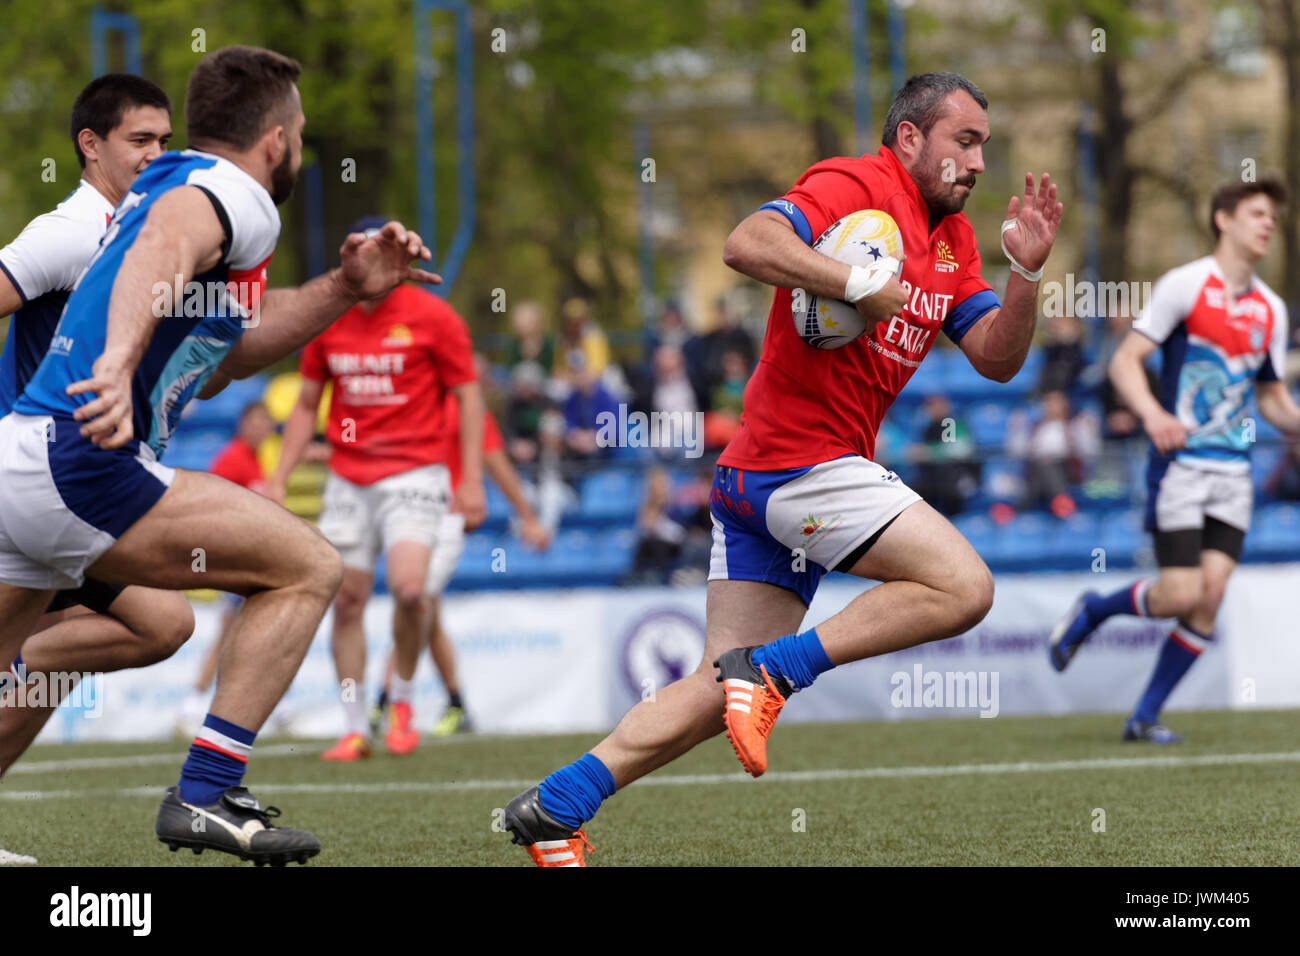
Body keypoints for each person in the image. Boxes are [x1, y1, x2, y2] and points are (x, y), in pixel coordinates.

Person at [500, 71, 1062, 865]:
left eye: (983, 147)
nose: (976, 161)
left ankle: (557, 804)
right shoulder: (855, 182)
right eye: (963, 141)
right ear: (910, 138)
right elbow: (746, 243)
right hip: (801, 464)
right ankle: (774, 673)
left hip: (770, 476)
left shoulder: (956, 243)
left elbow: (997, 361)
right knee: (964, 588)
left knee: (709, 690)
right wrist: (859, 281)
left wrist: (1027, 274)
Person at [0, 45, 440, 865]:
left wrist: (345, 289)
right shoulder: (232, 193)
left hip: (27, 459)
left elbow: (224, 356)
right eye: (301, 130)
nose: (301, 145)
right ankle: (206, 793)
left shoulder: (183, 189)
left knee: (79, 651)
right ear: (276, 140)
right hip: (80, 461)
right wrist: (118, 362)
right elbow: (162, 250)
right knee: (310, 566)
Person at [1048, 176, 1300, 743]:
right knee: (1181, 594)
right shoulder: (1185, 286)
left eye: (1273, 220)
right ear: (1224, 220)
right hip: (1181, 467)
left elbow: (1273, 401)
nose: (1267, 225)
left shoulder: (1272, 310)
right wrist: (1152, 414)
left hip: (1234, 475)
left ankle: (1143, 717)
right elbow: (1125, 362)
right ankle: (1094, 609)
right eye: (1258, 214)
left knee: (1209, 600)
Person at [0, 75, 195, 790]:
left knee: (150, 630)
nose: (156, 154)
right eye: (138, 140)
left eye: (165, 142)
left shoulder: (144, 236)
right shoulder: (71, 232)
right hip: (33, 480)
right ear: (90, 146)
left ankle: (22, 657)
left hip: (81, 486)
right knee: (159, 623)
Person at [265, 216, 486, 762]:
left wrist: (473, 479)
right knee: (346, 602)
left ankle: (404, 701)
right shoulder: (328, 320)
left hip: (417, 473)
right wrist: (277, 478)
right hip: (349, 476)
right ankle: (353, 725)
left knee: (411, 591)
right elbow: (304, 405)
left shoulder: (434, 316)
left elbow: (470, 398)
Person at [372, 394, 551, 737]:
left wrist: (527, 516)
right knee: (426, 610)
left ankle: (385, 699)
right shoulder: (410, 394)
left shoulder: (467, 404)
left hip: (447, 517)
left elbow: (495, 459)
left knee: (416, 598)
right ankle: (456, 704)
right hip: (407, 514)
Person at [178, 401, 276, 736]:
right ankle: (197, 701)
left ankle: (206, 703)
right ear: (244, 424)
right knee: (234, 634)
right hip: (237, 561)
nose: (264, 428)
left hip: (248, 561)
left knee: (245, 634)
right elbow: (212, 505)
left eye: (268, 422)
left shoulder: (254, 460)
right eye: (258, 420)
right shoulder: (234, 458)